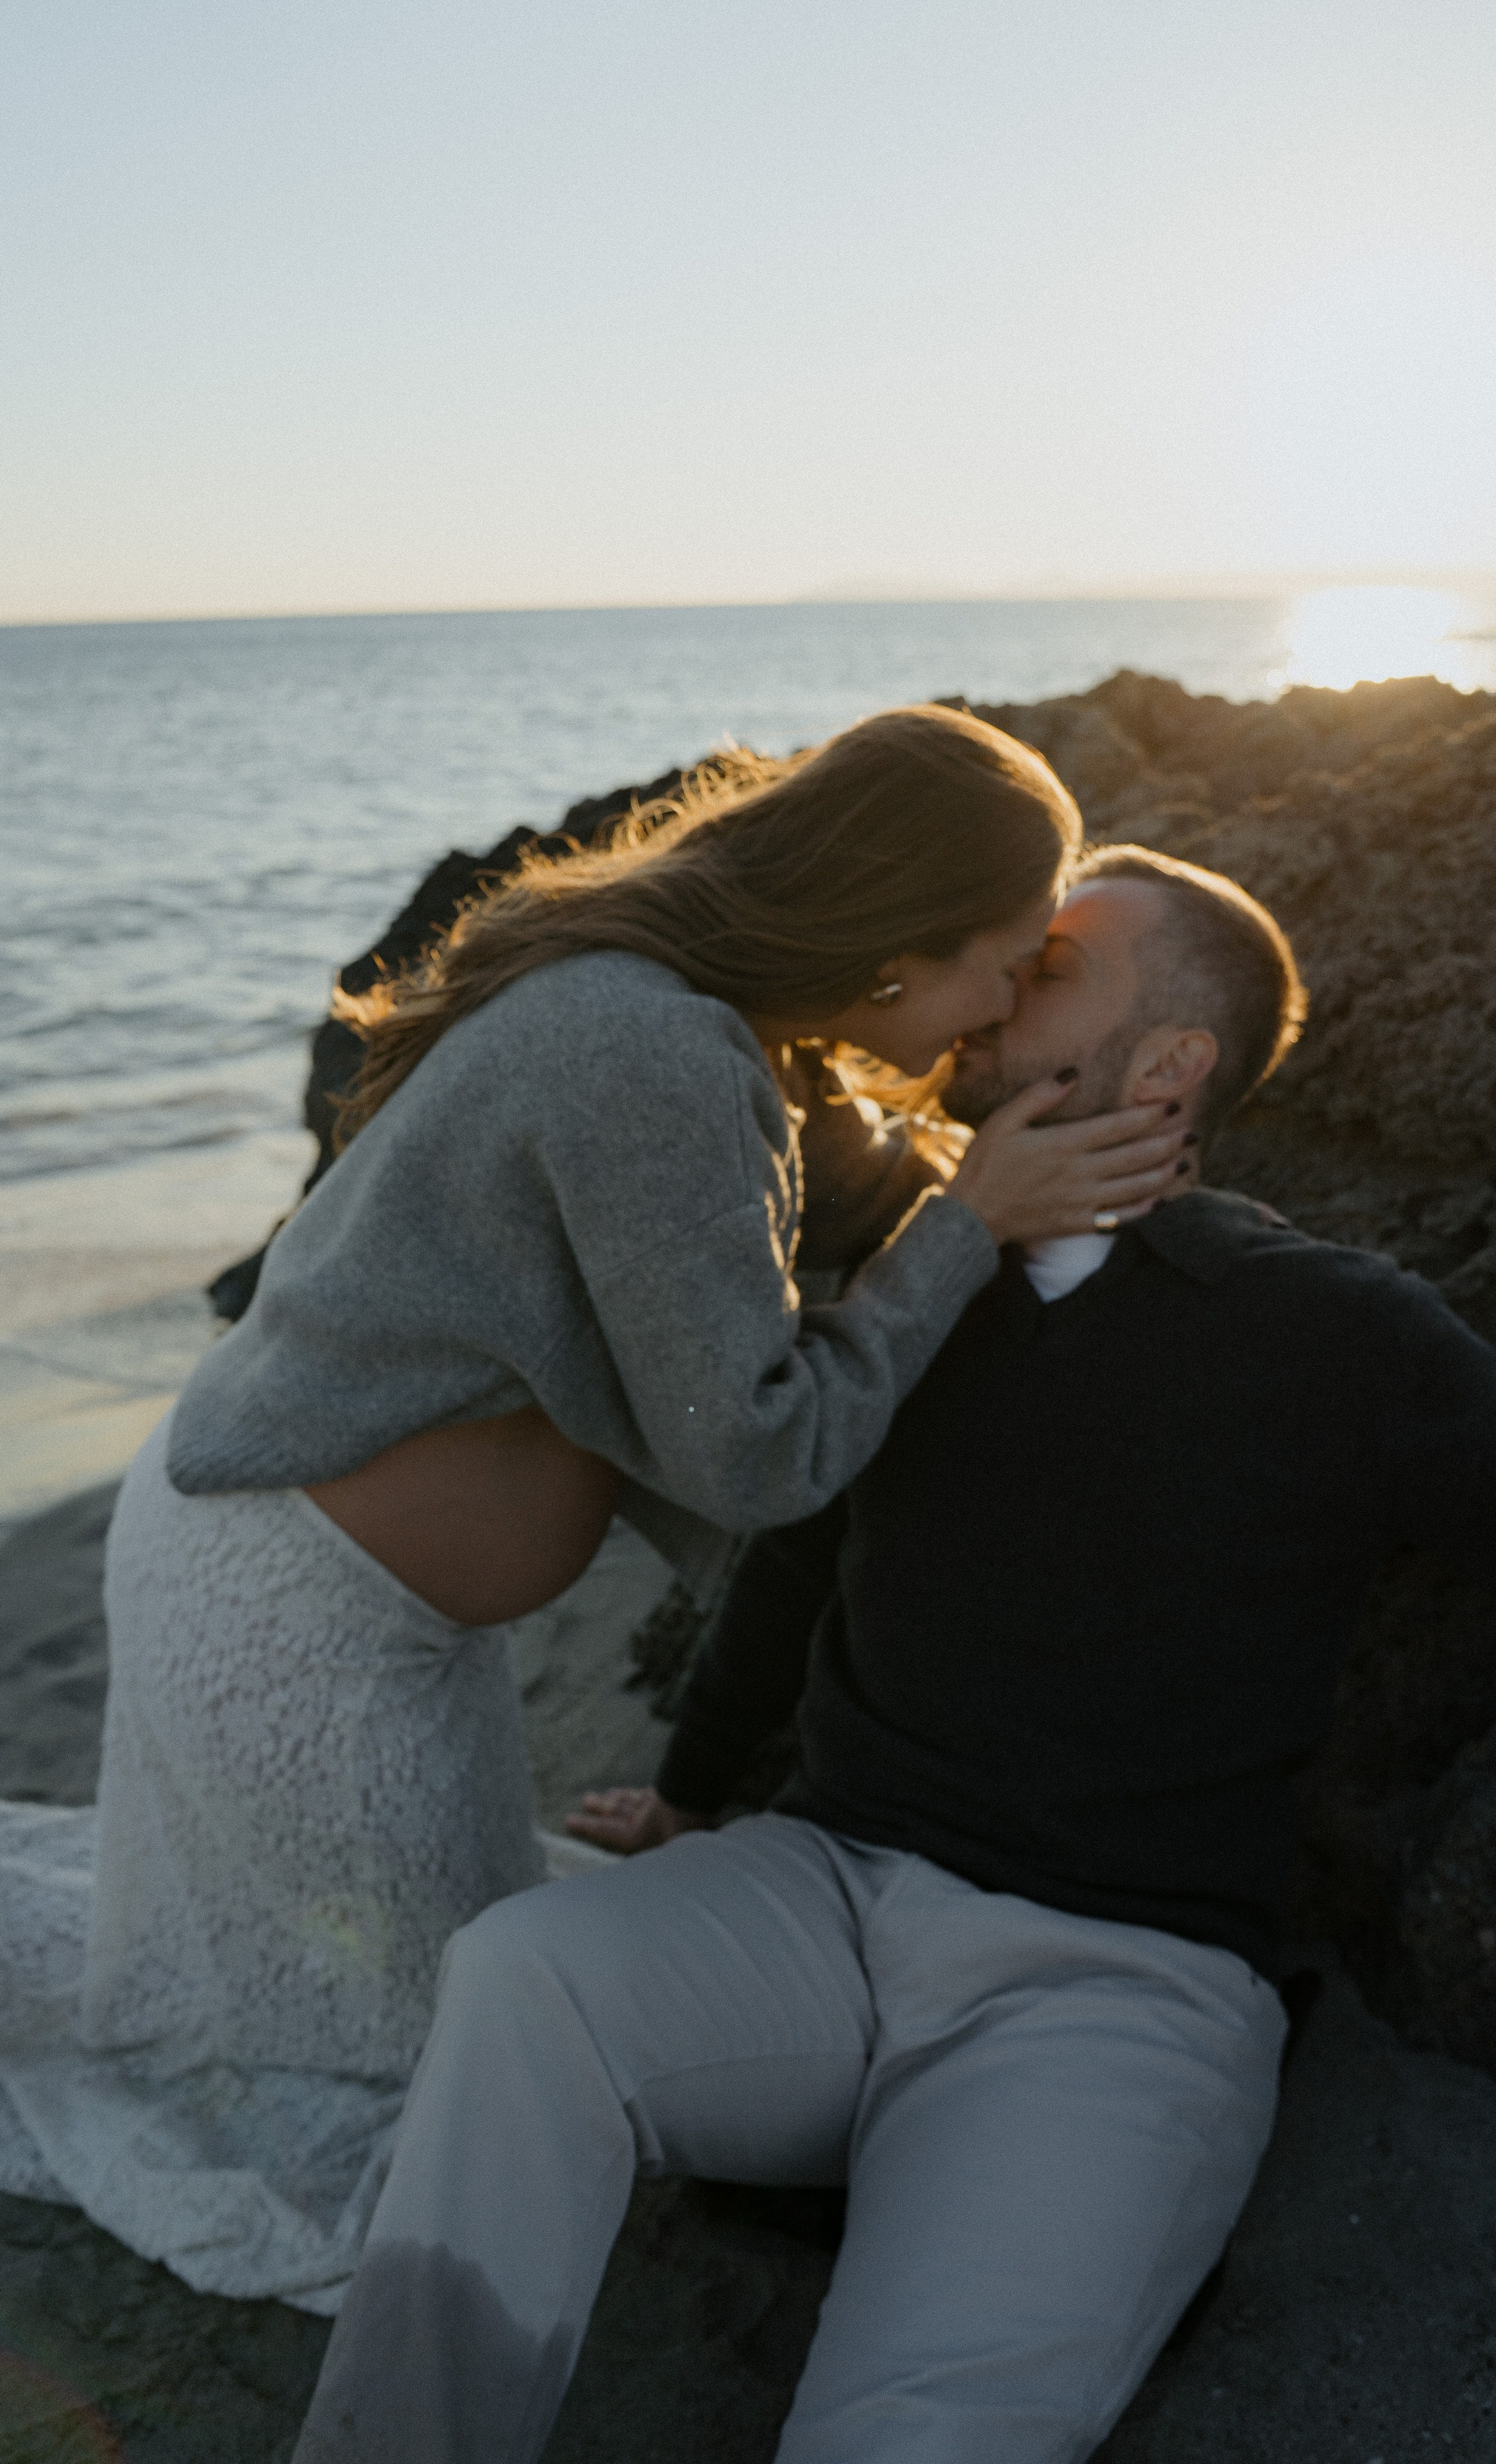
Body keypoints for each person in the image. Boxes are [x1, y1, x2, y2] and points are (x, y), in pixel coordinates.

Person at [291, 844, 1496, 2463]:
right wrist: (690, 1794)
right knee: (524, 1976)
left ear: (1168, 1065)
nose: (994, 991)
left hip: (1113, 1987)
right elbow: (794, 1564)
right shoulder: (921, 1287)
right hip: (819, 1903)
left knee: (916, 2430)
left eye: (1049, 970)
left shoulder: (1337, 1332)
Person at [0, 708, 1189, 2313]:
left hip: (378, 1626)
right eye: (1004, 965)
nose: (999, 1007)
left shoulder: (738, 1034)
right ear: (896, 949)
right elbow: (755, 1456)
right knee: (414, 2125)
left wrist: (1027, 1189)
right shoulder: (643, 1047)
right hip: (286, 1626)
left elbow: (846, 1200)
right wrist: (972, 1228)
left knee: (488, 2008)